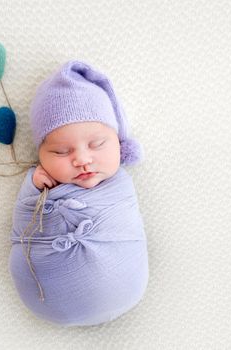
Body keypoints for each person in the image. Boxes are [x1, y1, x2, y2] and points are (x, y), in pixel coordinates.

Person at [9, 60, 148, 326]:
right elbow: (23, 225)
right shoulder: (41, 183)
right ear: (41, 155)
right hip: (44, 299)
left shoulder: (120, 185)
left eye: (97, 144)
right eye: (61, 152)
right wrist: (34, 189)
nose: (83, 160)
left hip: (127, 287)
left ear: (120, 145)